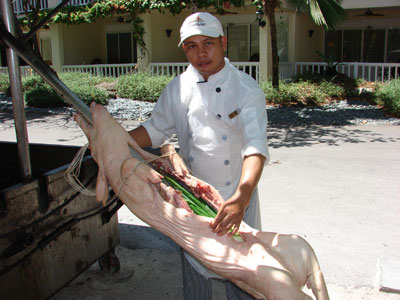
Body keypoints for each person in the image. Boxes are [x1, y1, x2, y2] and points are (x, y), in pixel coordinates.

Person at [129, 12, 269, 300]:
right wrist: (115, 138)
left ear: (223, 42)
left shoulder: (245, 88)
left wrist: (241, 198)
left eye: (208, 43)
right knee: (194, 265)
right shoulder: (178, 88)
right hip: (194, 194)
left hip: (234, 193)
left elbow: (255, 147)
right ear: (184, 49)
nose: (201, 52)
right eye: (191, 45)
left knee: (242, 271)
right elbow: (156, 129)